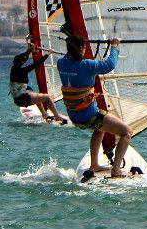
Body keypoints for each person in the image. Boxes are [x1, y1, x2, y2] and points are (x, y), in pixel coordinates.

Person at [57, 32, 133, 179]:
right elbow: (110, 64)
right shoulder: (87, 65)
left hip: (74, 117)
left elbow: (70, 57)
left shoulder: (61, 63)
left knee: (100, 129)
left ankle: (94, 165)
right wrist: (115, 46)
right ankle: (116, 170)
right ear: (81, 48)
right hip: (89, 116)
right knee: (127, 132)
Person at [9, 42, 66, 124]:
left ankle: (45, 115)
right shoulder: (22, 70)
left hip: (18, 99)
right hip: (23, 99)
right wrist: (48, 54)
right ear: (21, 62)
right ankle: (57, 116)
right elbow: (36, 64)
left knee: (38, 97)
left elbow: (21, 58)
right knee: (47, 97)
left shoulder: (14, 69)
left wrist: (29, 51)